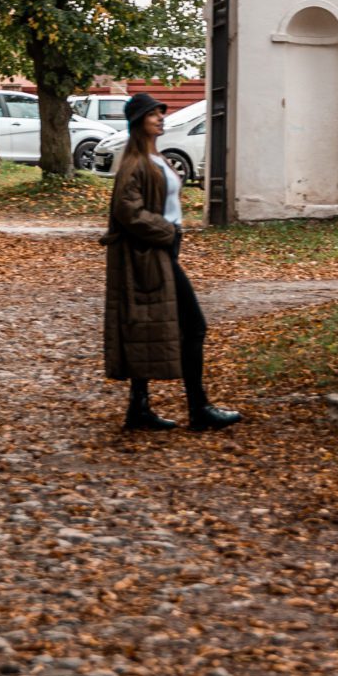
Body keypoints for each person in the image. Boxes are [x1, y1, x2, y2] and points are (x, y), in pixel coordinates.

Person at [103, 93, 241, 433]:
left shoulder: (156, 157)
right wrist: (167, 232)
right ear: (139, 122)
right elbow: (128, 210)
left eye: (161, 113)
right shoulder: (135, 164)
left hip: (161, 249)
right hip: (148, 254)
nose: (161, 118)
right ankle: (198, 408)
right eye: (154, 114)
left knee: (147, 324)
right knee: (193, 325)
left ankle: (140, 408)